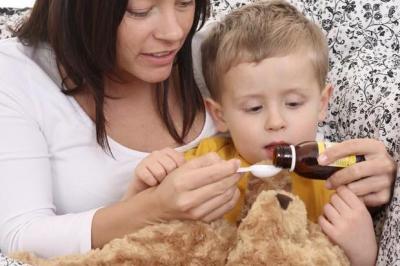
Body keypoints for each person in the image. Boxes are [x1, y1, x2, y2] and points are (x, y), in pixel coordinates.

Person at [130, 1, 396, 265]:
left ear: (322, 104)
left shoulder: (334, 175)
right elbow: (152, 236)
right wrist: (148, 184)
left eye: (293, 104)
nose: (275, 122)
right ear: (220, 115)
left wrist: (364, 252)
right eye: (254, 108)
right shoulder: (204, 163)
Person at [0, 0, 246, 259]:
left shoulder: (215, 51)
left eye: (184, 3)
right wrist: (153, 210)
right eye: (140, 11)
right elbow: (20, 238)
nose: (173, 33)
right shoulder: (17, 75)